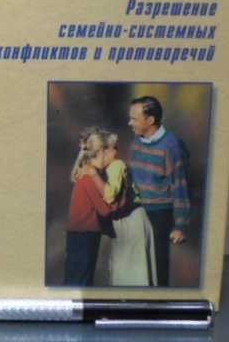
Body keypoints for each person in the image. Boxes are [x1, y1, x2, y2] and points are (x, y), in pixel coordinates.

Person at [127, 96, 190, 287]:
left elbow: (180, 187)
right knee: (138, 265)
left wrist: (180, 226)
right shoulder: (136, 142)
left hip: (159, 215)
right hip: (137, 212)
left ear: (150, 120)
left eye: (134, 119)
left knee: (158, 266)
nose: (129, 123)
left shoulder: (171, 147)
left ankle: (159, 300)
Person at [81, 130, 157, 286]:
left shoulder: (117, 165)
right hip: (128, 222)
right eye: (113, 148)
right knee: (126, 274)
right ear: (102, 151)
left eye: (116, 147)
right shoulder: (106, 168)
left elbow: (109, 196)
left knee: (133, 276)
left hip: (132, 222)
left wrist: (93, 174)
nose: (116, 151)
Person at [63, 132, 114, 286]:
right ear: (100, 153)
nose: (109, 158)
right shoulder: (89, 178)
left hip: (78, 235)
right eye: (107, 153)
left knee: (74, 277)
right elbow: (104, 210)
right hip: (85, 235)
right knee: (81, 280)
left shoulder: (84, 174)